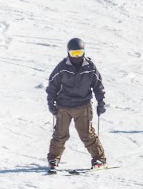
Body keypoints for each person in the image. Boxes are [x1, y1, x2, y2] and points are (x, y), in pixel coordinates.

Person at [46, 38, 107, 171]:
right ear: (68, 53)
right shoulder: (62, 67)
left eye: (79, 53)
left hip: (83, 106)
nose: (77, 56)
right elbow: (52, 85)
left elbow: (98, 86)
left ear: (84, 52)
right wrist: (51, 103)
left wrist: (101, 103)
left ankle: (99, 159)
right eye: (74, 54)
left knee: (87, 134)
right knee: (60, 134)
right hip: (63, 106)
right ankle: (53, 158)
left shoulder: (90, 67)